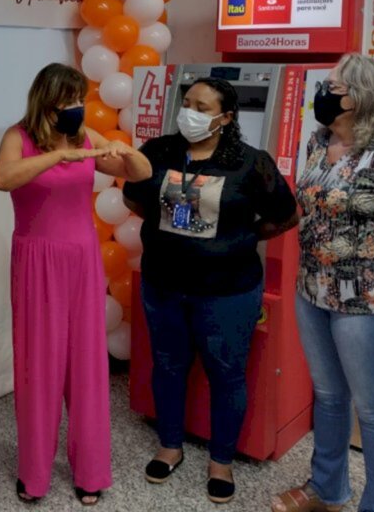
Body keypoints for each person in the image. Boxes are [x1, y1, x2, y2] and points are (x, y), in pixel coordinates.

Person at [123, 77, 298, 504]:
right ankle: (169, 445)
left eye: (202, 106)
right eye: (187, 103)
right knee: (167, 365)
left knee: (226, 373)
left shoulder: (250, 162)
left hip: (227, 290)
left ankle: (221, 460)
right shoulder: (158, 151)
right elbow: (134, 198)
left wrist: (241, 237)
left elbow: (286, 215)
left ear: (225, 117)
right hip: (163, 283)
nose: (191, 112)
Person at [0, 62, 152, 506]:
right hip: (37, 258)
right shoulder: (18, 136)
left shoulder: (85, 135)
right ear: (47, 100)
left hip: (81, 258)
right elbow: (2, 178)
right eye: (69, 100)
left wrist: (125, 151)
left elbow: (138, 172)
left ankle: (90, 471)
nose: (77, 108)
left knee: (86, 364)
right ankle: (34, 474)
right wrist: (57, 156)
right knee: (38, 365)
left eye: (80, 99)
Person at [272, 54, 374, 512]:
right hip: (312, 291)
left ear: (357, 97)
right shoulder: (319, 140)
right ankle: (327, 490)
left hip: (369, 301)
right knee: (329, 396)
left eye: (333, 85)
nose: (324, 90)